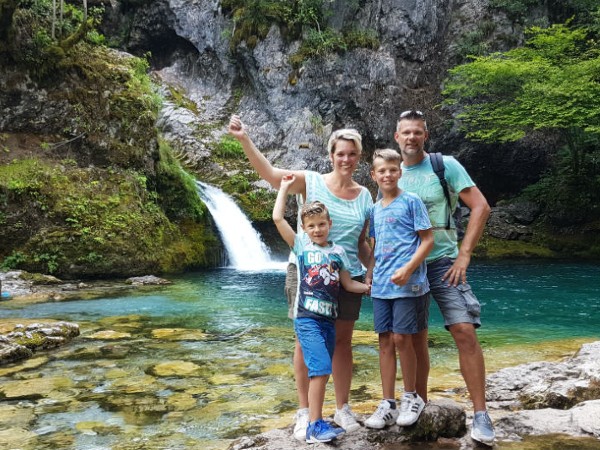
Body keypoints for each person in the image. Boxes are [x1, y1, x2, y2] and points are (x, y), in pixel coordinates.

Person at [228, 115, 373, 440]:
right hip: (305, 273)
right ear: (331, 154)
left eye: (352, 154)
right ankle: (305, 412)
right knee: (304, 342)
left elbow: (362, 243)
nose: (346, 159)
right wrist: (244, 139)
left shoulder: (365, 196)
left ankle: (342, 407)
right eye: (340, 153)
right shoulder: (311, 181)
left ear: (359, 157)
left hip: (346, 274)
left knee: (342, 342)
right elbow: (270, 175)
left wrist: (375, 272)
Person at [393, 110, 495, 445]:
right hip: (406, 265)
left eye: (417, 132)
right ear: (397, 137)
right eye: (406, 132)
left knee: (464, 330)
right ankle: (418, 402)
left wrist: (464, 254)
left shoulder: (444, 165)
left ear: (425, 135)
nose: (411, 138)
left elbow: (480, 206)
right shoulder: (391, 171)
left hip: (444, 262)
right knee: (413, 336)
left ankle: (481, 415)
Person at [272, 174, 370, 443]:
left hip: (328, 320)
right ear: (304, 228)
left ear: (330, 224)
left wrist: (371, 287)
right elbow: (278, 219)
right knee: (321, 368)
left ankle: (320, 419)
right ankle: (314, 424)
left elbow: (348, 284)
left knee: (322, 369)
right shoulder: (301, 245)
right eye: (311, 226)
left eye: (321, 225)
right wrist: (282, 188)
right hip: (307, 318)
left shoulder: (338, 252)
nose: (317, 230)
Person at [363, 149, 434, 429]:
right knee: (384, 341)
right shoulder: (374, 209)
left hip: (410, 285)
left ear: (400, 171)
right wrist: (369, 275)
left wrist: (408, 269)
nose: (388, 175)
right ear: (374, 175)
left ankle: (411, 397)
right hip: (381, 286)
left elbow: (427, 240)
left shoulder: (411, 201)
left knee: (403, 339)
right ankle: (388, 403)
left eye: (392, 170)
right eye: (382, 171)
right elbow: (374, 247)